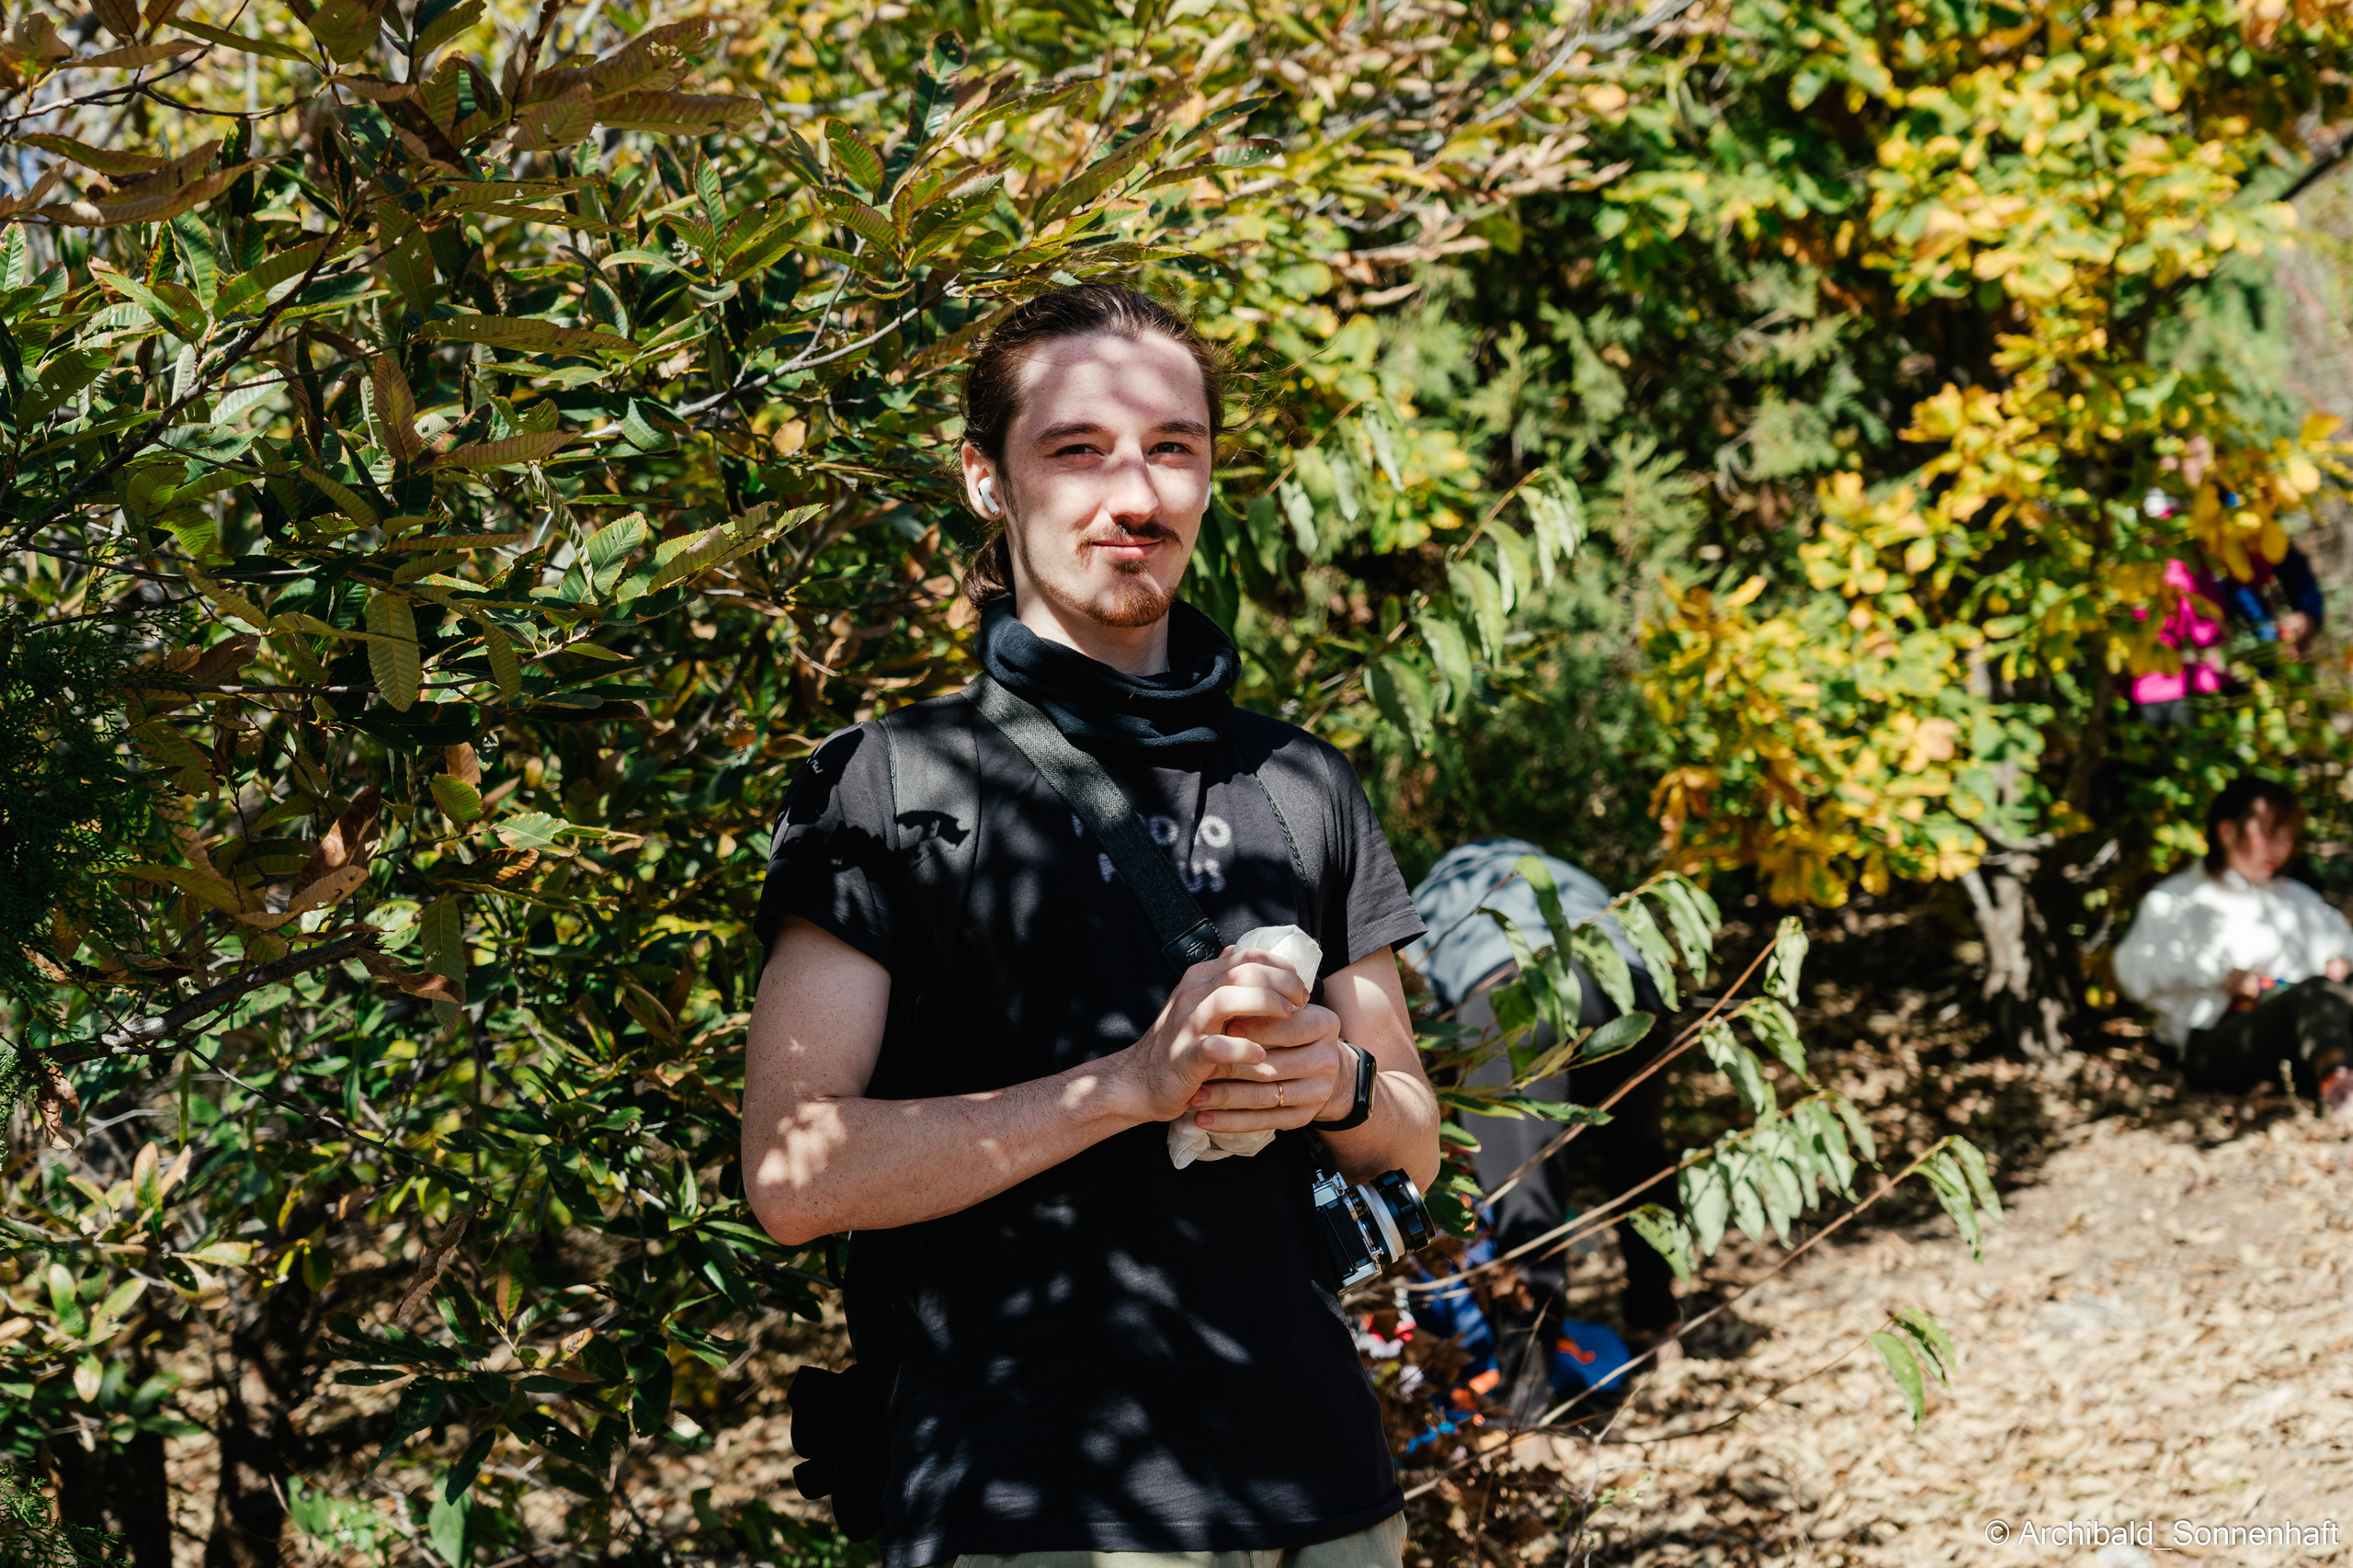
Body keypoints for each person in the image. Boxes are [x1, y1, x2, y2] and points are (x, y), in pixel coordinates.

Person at [740, 284, 1440, 1568]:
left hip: (1330, 1498)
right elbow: (794, 1173)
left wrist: (1327, 1081)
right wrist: (1127, 1084)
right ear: (985, 481)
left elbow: (1412, 1142)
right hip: (1038, 1507)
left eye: (1173, 448)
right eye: (1078, 451)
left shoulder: (1303, 782)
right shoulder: (885, 785)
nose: (1138, 495)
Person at [1402, 839, 1681, 1419]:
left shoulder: (1433, 893)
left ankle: (1526, 1403)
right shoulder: (1566, 869)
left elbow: (1420, 1019)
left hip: (1514, 991)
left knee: (1528, 1201)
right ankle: (1659, 1328)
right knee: (1639, 1157)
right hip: (1632, 991)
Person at [2113, 775, 2353, 1117]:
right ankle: (2340, 1093)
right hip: (2216, 1043)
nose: (2279, 848)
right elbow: (2133, 971)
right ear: (2227, 832)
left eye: (2287, 837)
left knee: (2328, 996)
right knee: (2315, 994)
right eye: (2269, 834)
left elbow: (2341, 938)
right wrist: (2217, 974)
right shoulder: (2178, 898)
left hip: (2304, 1037)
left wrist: (2340, 959)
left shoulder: (2296, 896)